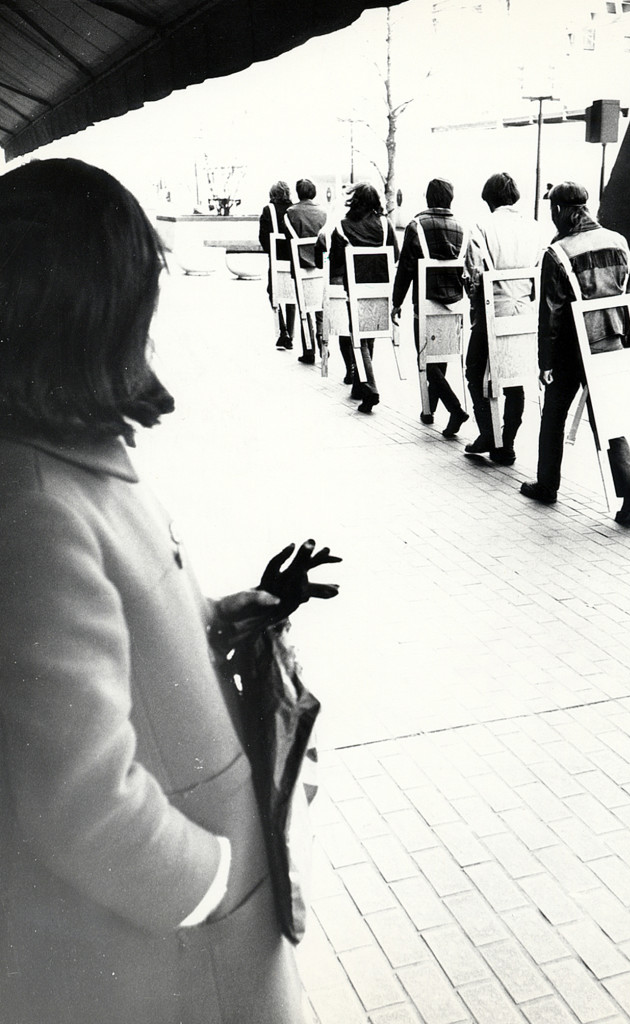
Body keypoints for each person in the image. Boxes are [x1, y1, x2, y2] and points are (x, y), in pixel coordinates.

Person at [0, 158, 341, 1023]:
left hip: (194, 932)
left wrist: (234, 614)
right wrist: (213, 880)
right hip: (177, 954)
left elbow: (120, 650)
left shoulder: (69, 463)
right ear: (81, 310)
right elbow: (80, 799)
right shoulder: (40, 511)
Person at [519, 181, 630, 524]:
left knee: (553, 415)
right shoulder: (618, 241)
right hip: (612, 342)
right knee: (609, 417)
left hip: (572, 349)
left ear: (559, 210)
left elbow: (552, 314)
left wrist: (545, 362)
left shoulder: (558, 252)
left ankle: (547, 484)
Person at [463, 172, 541, 465]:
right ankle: (507, 443)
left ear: (489, 199)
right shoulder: (535, 227)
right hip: (524, 311)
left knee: (474, 371)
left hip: (491, 310)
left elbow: (474, 273)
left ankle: (488, 434)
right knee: (514, 379)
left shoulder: (482, 226)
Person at [391, 177, 469, 438]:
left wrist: (396, 301)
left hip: (424, 301)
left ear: (427, 198)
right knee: (440, 356)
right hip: (454, 301)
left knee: (425, 358)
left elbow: (405, 268)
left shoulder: (417, 225)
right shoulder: (462, 227)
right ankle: (429, 410)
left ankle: (454, 408)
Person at [320, 183, 400, 414]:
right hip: (381, 288)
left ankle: (370, 388)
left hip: (355, 289)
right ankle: (359, 385)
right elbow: (394, 254)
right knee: (368, 335)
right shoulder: (386, 225)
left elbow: (335, 264)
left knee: (359, 338)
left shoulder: (343, 227)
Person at [286, 178, 328, 365]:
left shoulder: (290, 213)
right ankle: (323, 343)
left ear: (298, 193)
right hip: (321, 264)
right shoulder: (323, 212)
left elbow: (288, 238)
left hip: (300, 263)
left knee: (304, 307)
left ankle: (308, 350)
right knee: (320, 306)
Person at [259, 180, 297, 350]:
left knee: (273, 292)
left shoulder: (269, 211)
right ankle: (291, 331)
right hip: (294, 259)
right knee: (292, 296)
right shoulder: (294, 210)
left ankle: (282, 330)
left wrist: (270, 251)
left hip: (276, 258)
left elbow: (263, 237)